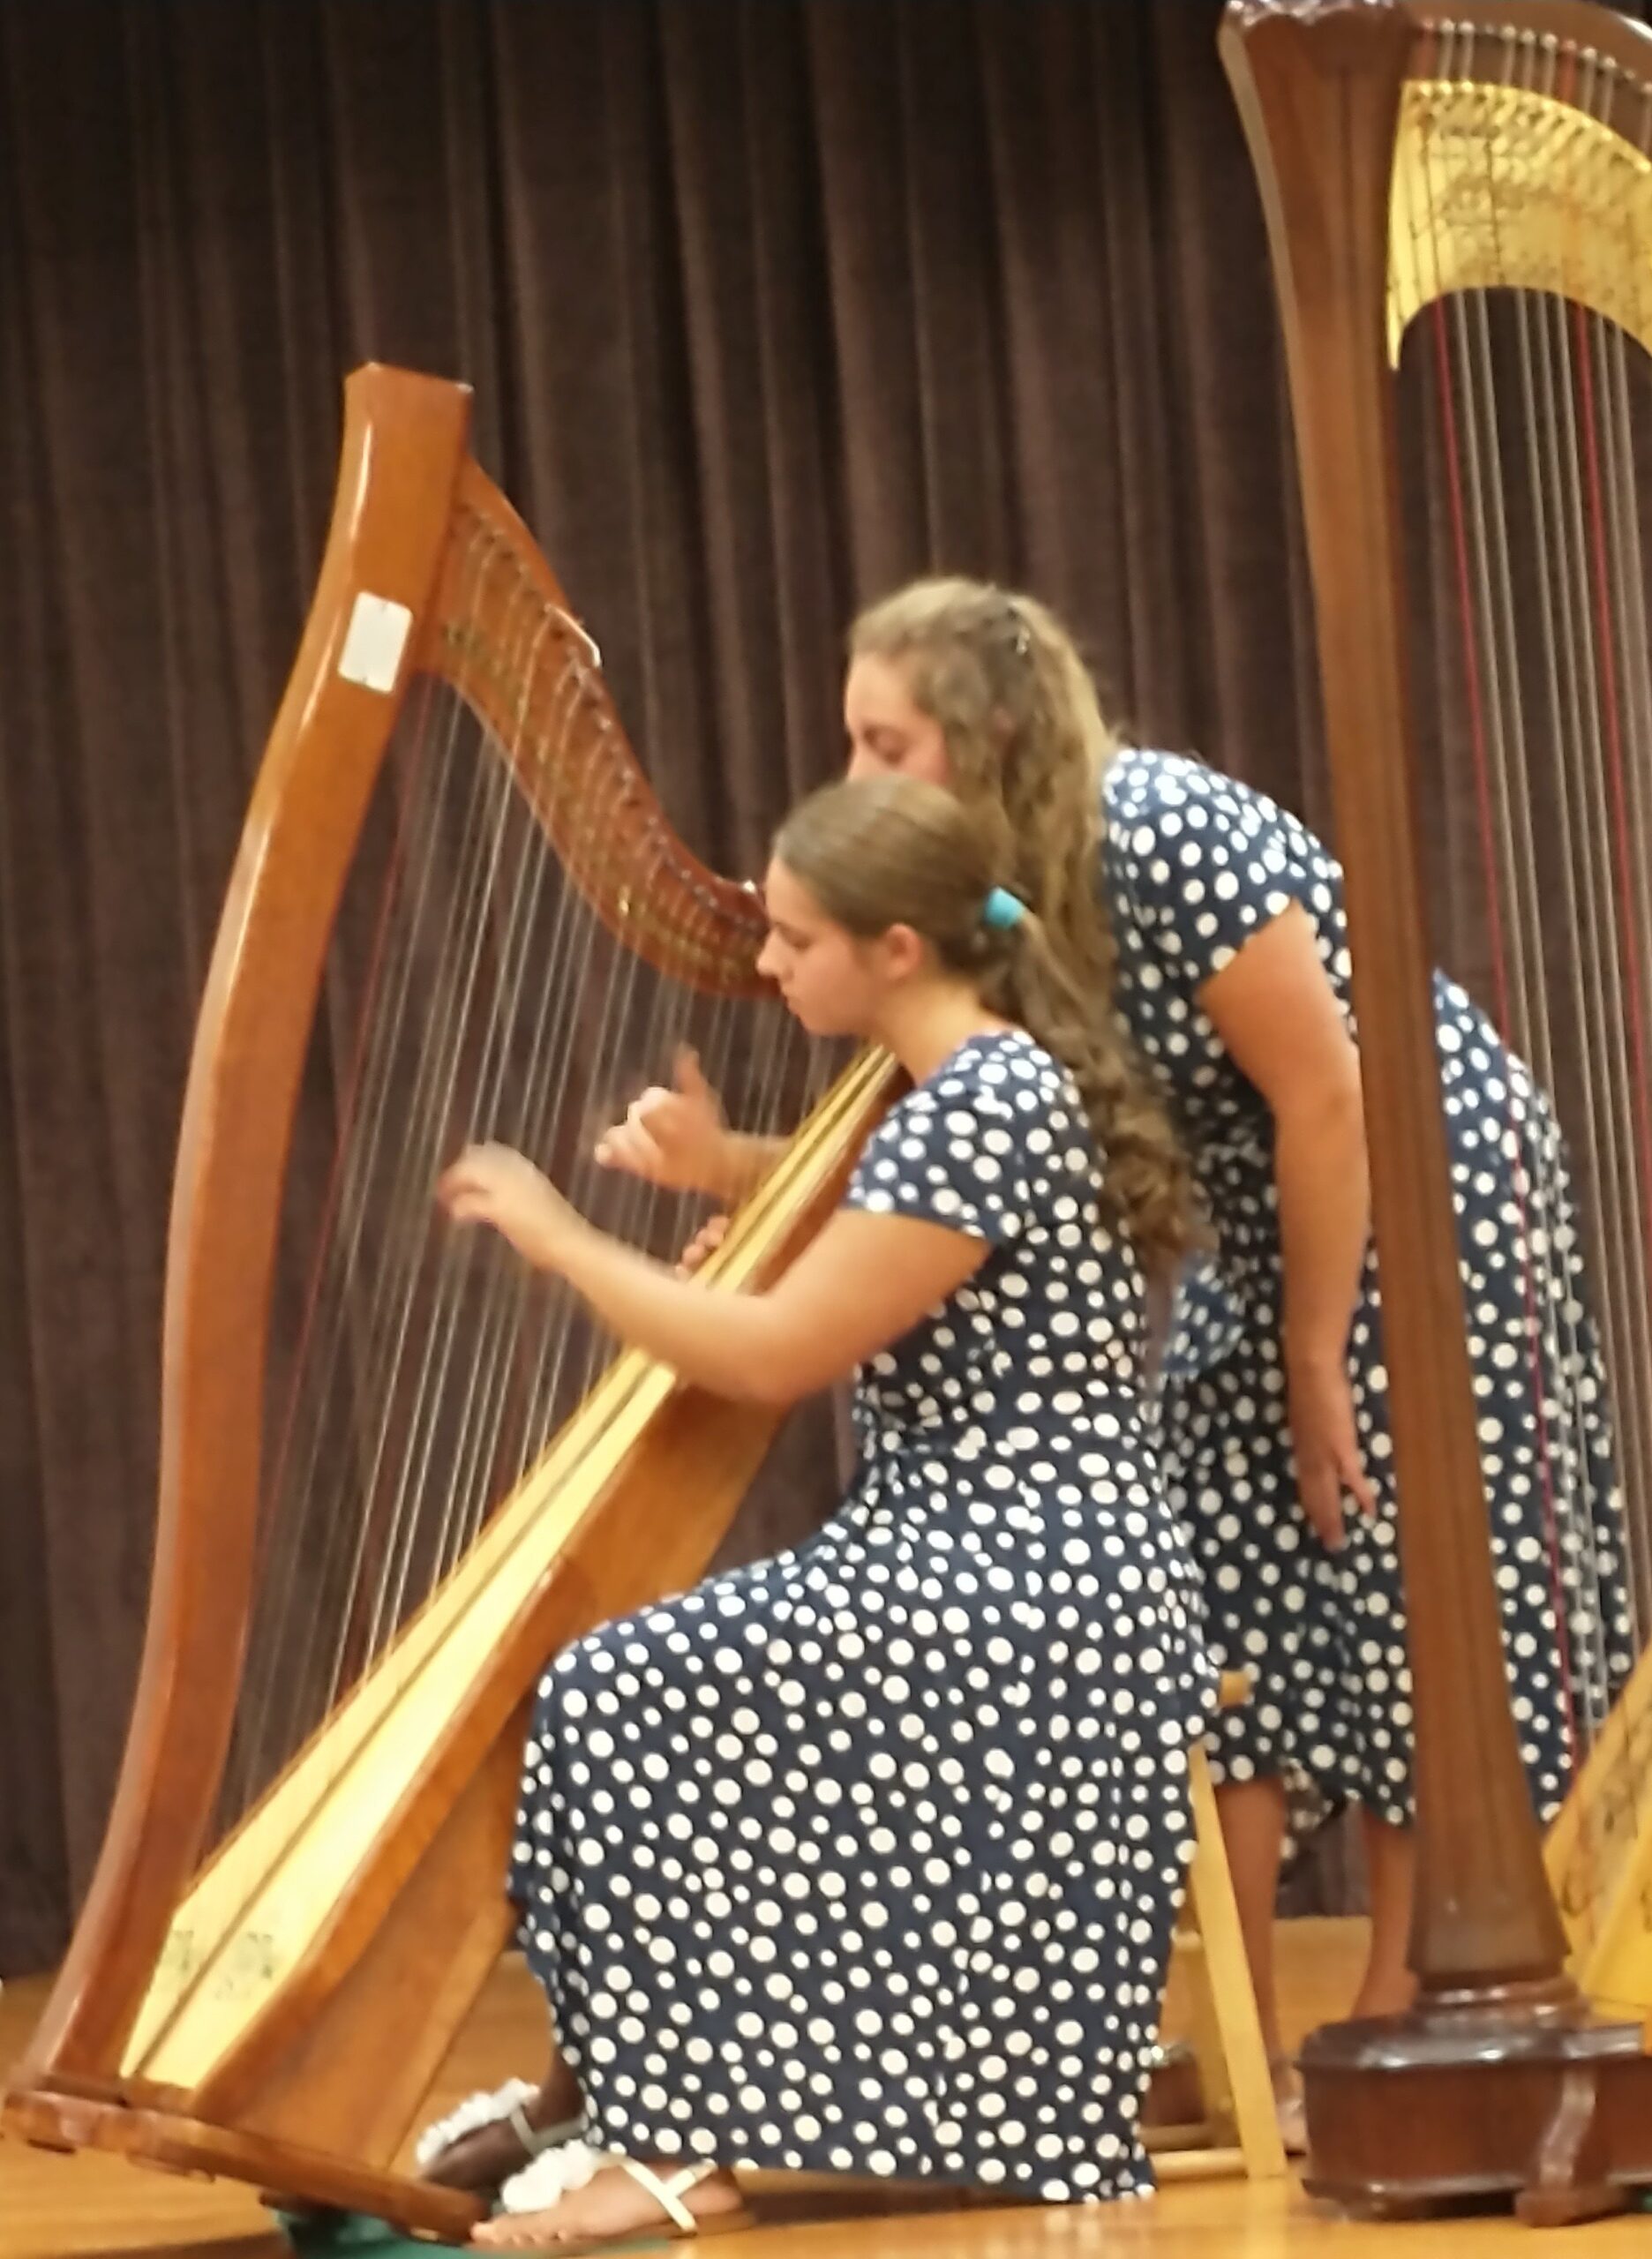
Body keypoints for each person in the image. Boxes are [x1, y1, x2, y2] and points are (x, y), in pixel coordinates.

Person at [595, 578, 1633, 2148]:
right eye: (853, 743)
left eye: (891, 742)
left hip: (1417, 1180)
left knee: (1411, 1570)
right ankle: (1244, 2053)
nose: (863, 775)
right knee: (1232, 1580)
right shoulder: (972, 892)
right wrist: (729, 1175)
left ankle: (1404, 2019)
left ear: (988, 733)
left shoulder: (1158, 832)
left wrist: (1311, 1350)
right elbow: (939, 1164)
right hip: (1251, 1200)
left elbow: (1328, 1096)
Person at [424, 772, 1214, 2248]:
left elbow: (782, 1353)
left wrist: (562, 1240)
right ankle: (628, 2093)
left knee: (611, 1688)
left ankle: (675, 2145)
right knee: (623, 1680)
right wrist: (723, 1177)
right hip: (970, 1548)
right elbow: (865, 1238)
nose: (769, 963)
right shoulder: (968, 1086)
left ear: (896, 950)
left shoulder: (979, 1106)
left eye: (793, 940)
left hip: (1030, 1577)